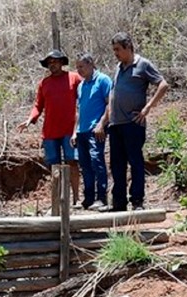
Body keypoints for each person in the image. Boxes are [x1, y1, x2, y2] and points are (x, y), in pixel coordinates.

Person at [94, 32, 168, 211]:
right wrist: (104, 121)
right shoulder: (119, 68)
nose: (115, 53)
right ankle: (119, 203)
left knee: (135, 162)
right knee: (117, 165)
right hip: (116, 124)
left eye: (118, 49)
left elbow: (163, 84)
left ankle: (137, 201)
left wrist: (147, 108)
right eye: (114, 50)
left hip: (133, 123)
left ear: (128, 47)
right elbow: (113, 95)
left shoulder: (143, 64)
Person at [18, 49, 82, 202]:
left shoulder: (74, 78)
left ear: (62, 62)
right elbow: (38, 106)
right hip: (50, 132)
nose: (52, 65)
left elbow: (84, 98)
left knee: (72, 162)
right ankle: (57, 201)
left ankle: (76, 199)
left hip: (69, 130)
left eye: (55, 61)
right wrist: (29, 120)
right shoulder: (44, 84)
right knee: (54, 167)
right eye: (49, 63)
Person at [72, 53, 112, 210]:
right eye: (77, 67)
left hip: (96, 130)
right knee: (85, 165)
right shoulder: (81, 86)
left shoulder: (103, 80)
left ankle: (102, 198)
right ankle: (88, 198)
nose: (79, 70)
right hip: (82, 131)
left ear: (91, 64)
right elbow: (80, 110)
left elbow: (110, 103)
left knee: (97, 162)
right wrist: (75, 131)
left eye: (81, 66)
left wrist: (102, 124)